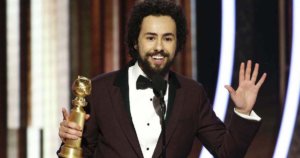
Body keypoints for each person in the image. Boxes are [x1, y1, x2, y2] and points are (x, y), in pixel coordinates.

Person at [57, 0, 267, 157]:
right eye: (150, 38)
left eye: (167, 38)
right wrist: (70, 141)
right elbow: (82, 152)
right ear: (135, 42)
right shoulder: (101, 90)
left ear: (178, 43)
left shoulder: (192, 94)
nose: (159, 46)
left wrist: (243, 112)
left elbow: (226, 152)